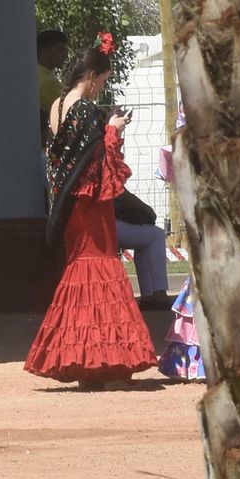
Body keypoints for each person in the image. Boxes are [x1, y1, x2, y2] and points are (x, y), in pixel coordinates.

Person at [25, 32, 159, 386]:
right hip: (91, 204)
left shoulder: (56, 106)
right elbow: (96, 161)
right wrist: (113, 131)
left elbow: (63, 161)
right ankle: (103, 358)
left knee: (80, 275)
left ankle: (84, 359)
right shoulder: (84, 109)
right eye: (102, 79)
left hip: (71, 209)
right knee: (100, 271)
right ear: (90, 75)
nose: (102, 86)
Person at [36, 27, 68, 127]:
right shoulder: (49, 82)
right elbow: (69, 112)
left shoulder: (32, 74)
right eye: (60, 50)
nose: (64, 55)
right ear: (44, 51)